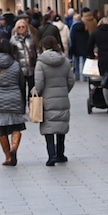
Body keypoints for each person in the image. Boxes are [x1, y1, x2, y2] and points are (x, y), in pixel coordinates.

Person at [0, 38, 27, 166]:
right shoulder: (15, 64)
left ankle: (8, 156)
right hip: (14, 98)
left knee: (1, 130)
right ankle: (14, 148)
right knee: (17, 126)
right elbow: (22, 84)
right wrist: (23, 102)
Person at [33, 35, 75, 166]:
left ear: (44, 47)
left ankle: (51, 155)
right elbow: (71, 80)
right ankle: (60, 154)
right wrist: (64, 90)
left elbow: (39, 84)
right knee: (60, 125)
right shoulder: (65, 61)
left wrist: (35, 92)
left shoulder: (40, 63)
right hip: (62, 97)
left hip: (47, 99)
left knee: (49, 127)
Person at [10, 18, 38, 96]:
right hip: (19, 70)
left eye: (23, 26)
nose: (21, 28)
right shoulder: (13, 40)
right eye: (19, 27)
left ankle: (32, 107)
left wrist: (37, 65)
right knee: (21, 92)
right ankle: (22, 107)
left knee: (32, 92)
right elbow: (11, 55)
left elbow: (36, 51)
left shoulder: (31, 38)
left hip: (31, 68)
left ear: (26, 27)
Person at [69, 7, 93, 80]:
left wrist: (71, 46)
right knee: (84, 61)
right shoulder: (84, 27)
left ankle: (77, 76)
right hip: (84, 46)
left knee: (76, 61)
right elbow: (87, 37)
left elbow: (72, 38)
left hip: (76, 46)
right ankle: (85, 76)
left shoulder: (73, 28)